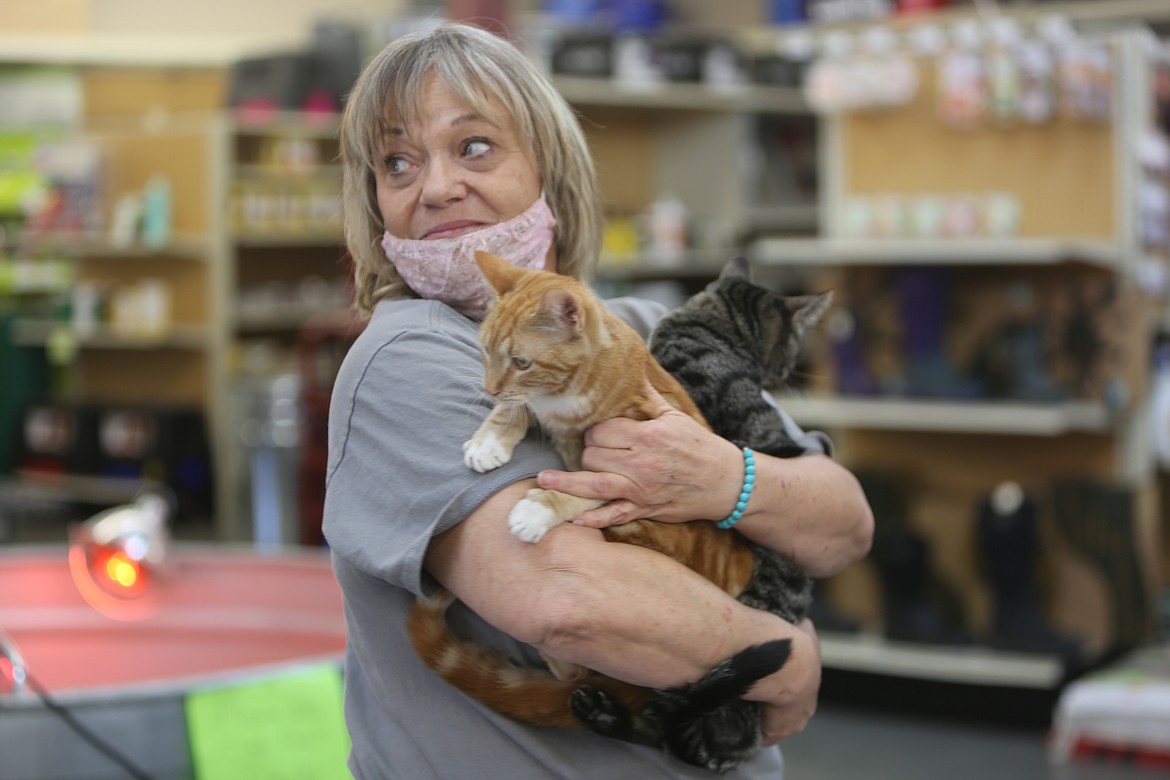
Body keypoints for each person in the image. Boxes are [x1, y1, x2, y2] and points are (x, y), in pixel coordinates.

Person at [323, 21, 873, 780]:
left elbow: (845, 522)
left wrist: (724, 478)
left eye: (474, 145)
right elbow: (570, 601)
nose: (437, 186)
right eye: (396, 162)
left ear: (548, 163)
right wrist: (784, 659)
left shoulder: (648, 329)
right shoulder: (407, 358)